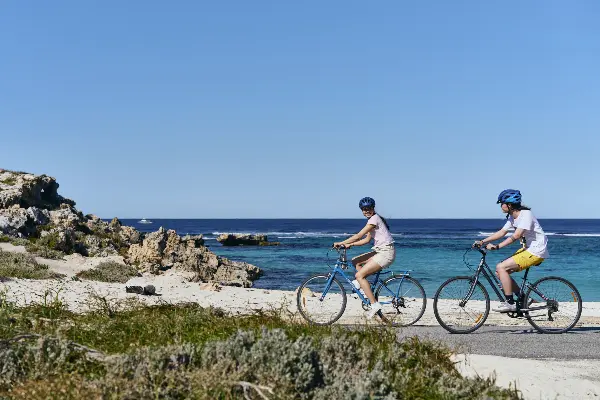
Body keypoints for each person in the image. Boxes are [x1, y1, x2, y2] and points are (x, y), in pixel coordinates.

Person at [475, 189, 549, 312]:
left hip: (536, 250)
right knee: (500, 272)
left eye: (501, 203)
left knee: (501, 267)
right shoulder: (512, 217)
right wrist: (483, 241)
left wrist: (497, 246)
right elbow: (502, 232)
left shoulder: (526, 214)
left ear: (509, 205)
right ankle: (524, 298)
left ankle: (510, 303)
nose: (500, 206)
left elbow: (516, 235)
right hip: (528, 249)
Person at [333, 197, 396, 318]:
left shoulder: (374, 219)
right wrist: (350, 245)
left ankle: (374, 304)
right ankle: (363, 287)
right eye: (364, 209)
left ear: (373, 208)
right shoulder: (372, 220)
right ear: (361, 210)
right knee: (356, 261)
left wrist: (341, 243)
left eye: (368, 208)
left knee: (359, 275)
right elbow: (366, 240)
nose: (366, 211)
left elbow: (358, 236)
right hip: (380, 251)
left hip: (386, 253)